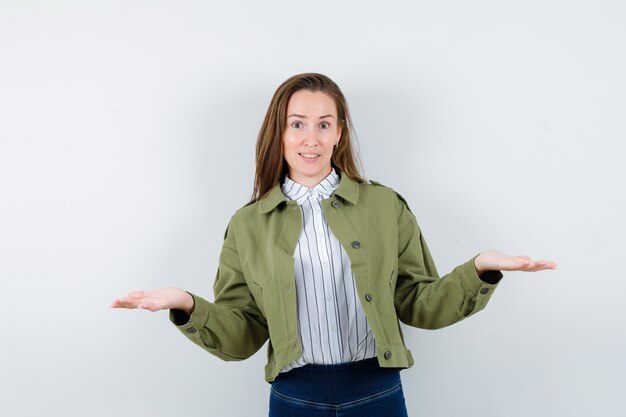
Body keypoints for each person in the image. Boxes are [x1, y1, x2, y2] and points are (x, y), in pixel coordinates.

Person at [111, 72, 557, 416]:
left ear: (339, 132)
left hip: (377, 393)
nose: (311, 138)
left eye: (324, 124)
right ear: (279, 134)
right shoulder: (246, 225)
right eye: (298, 124)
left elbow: (418, 302)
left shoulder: (385, 206)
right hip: (294, 399)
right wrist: (188, 305)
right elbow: (243, 333)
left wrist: (478, 269)